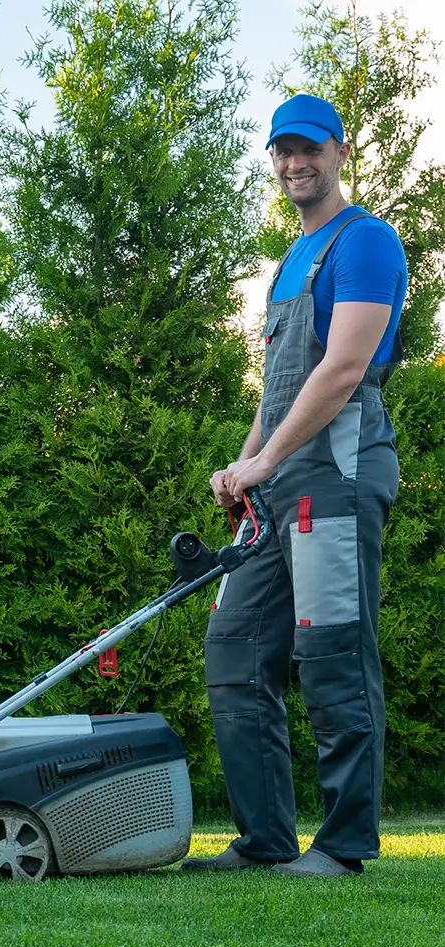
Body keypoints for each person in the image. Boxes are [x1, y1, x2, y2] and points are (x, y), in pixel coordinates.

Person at [183, 94, 408, 878]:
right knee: (236, 645)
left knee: (333, 655)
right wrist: (244, 467)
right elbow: (278, 388)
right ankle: (265, 838)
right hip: (278, 483)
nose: (293, 163)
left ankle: (343, 845)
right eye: (281, 151)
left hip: (337, 476)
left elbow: (342, 369)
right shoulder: (291, 260)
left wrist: (267, 462)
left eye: (308, 148)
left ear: (341, 151)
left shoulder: (365, 242)